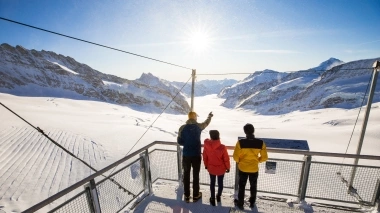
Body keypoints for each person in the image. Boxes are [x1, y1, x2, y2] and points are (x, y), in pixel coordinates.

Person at [177, 111, 213, 203]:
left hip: (186, 155)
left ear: (188, 118)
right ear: (195, 118)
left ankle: (187, 195)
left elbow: (180, 142)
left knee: (186, 175)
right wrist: (209, 116)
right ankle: (196, 195)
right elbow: (206, 123)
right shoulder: (198, 127)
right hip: (196, 155)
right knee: (196, 175)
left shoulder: (182, 128)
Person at [233, 123, 268, 209]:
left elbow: (235, 157)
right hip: (254, 168)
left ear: (245, 132)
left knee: (242, 186)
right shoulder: (261, 143)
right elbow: (265, 157)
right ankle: (252, 202)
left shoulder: (240, 142)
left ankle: (240, 203)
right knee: (253, 186)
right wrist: (257, 161)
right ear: (253, 131)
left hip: (243, 168)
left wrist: (240, 161)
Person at [203, 130, 230, 206]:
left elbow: (205, 156)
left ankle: (212, 198)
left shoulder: (206, 145)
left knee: (212, 183)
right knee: (220, 183)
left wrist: (206, 165)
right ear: (218, 136)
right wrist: (228, 167)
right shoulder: (222, 147)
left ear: (211, 136)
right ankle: (218, 196)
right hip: (221, 169)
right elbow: (226, 159)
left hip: (211, 168)